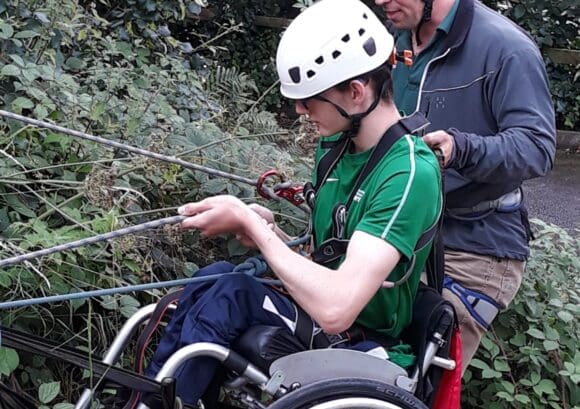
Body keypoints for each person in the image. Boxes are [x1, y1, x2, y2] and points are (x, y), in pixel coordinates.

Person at [146, 0, 442, 405]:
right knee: (212, 277)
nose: (299, 111)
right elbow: (325, 259)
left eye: (309, 100)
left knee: (232, 293)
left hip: (363, 339)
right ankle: (153, 396)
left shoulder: (408, 174)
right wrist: (271, 233)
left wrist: (255, 231)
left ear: (356, 93)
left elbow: (338, 306)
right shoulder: (337, 147)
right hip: (325, 316)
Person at [374, 0, 556, 372]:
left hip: (473, 246)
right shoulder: (396, 39)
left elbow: (538, 148)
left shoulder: (506, 48)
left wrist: (461, 148)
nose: (380, 0)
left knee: (409, 383)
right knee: (365, 363)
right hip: (406, 230)